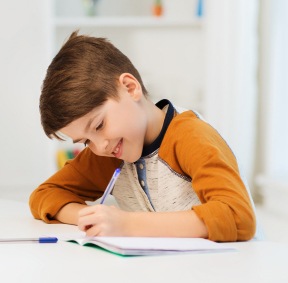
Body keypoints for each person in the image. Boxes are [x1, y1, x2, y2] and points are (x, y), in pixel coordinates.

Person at [29, 30, 266, 241]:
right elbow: (44, 195)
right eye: (85, 141)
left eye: (99, 124)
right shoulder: (108, 152)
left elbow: (238, 216)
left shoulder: (190, 136)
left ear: (131, 88)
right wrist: (91, 217)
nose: (99, 146)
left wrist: (126, 224)